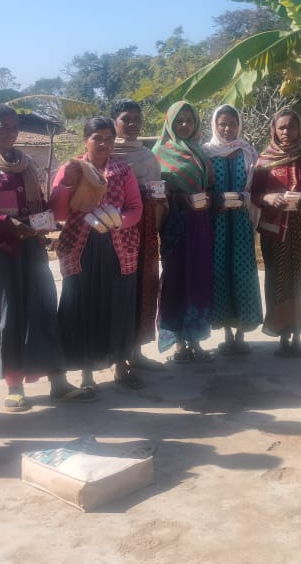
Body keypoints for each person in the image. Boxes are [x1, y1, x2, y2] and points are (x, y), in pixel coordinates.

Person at [0, 103, 79, 411]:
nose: (11, 132)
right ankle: (14, 384)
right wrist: (5, 224)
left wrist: (43, 222)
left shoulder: (26, 163)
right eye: (3, 127)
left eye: (15, 127)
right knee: (8, 317)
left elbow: (39, 203)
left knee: (44, 309)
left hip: (31, 247)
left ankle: (57, 380)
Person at [50, 116, 143, 393]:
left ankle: (120, 365)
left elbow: (135, 208)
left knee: (118, 305)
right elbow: (58, 213)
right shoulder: (71, 170)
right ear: (85, 140)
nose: (103, 144)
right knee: (82, 307)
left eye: (108, 139)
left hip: (118, 247)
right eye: (97, 138)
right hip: (81, 248)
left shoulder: (122, 171)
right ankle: (86, 372)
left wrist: (117, 221)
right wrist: (67, 185)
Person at [250, 108, 301, 357]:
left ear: (299, 129)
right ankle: (282, 334)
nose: (286, 132)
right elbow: (254, 194)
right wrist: (268, 198)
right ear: (274, 129)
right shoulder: (264, 160)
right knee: (277, 279)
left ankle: (297, 334)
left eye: (291, 127)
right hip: (275, 231)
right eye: (281, 127)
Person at [153, 100, 215, 362]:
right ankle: (178, 341)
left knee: (198, 279)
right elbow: (157, 190)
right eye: (179, 120)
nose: (185, 124)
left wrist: (208, 198)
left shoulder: (199, 152)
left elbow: (208, 184)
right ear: (170, 123)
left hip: (200, 223)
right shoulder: (158, 153)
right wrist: (181, 199)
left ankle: (196, 338)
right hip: (175, 227)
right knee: (176, 279)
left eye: (189, 120)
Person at [109, 99, 165, 371]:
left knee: (144, 285)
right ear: (114, 122)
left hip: (145, 228)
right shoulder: (106, 153)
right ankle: (118, 355)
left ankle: (137, 351)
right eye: (126, 119)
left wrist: (158, 197)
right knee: (119, 288)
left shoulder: (147, 156)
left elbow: (158, 190)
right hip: (115, 229)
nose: (132, 124)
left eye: (136, 119)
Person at [203, 104, 263, 354]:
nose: (227, 129)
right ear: (214, 125)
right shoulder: (205, 153)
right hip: (215, 223)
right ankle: (226, 331)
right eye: (222, 124)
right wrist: (214, 200)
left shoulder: (248, 152)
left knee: (242, 273)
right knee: (219, 273)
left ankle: (241, 333)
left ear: (239, 125)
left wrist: (245, 198)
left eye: (232, 124)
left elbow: (257, 187)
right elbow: (200, 186)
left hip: (241, 223)